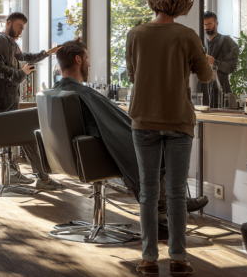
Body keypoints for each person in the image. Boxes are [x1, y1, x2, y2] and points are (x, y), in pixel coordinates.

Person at [53, 39, 209, 222]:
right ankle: (165, 207)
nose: (89, 63)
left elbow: (106, 123)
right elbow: (113, 125)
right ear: (78, 60)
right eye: (87, 59)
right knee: (159, 145)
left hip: (72, 156)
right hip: (94, 155)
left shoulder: (58, 93)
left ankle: (170, 203)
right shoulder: (81, 93)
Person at [126, 0, 213, 275]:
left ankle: (148, 258)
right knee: (176, 193)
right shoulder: (189, 36)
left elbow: (134, 76)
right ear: (183, 3)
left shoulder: (134, 34)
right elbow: (205, 77)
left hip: (143, 120)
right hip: (179, 121)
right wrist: (201, 61)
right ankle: (179, 258)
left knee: (149, 193)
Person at [0, 12, 65, 190]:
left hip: (8, 100)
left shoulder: (9, 42)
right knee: (28, 134)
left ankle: (15, 173)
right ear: (9, 23)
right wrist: (22, 73)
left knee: (24, 135)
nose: (21, 31)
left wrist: (47, 53)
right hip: (2, 103)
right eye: (19, 26)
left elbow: (24, 57)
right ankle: (42, 179)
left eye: (23, 28)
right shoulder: (0, 41)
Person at [201, 11, 239, 106]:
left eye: (209, 23)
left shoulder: (227, 42)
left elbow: (232, 66)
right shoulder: (200, 43)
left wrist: (215, 62)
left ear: (216, 23)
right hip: (202, 94)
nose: (206, 27)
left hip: (222, 93)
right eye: (204, 24)